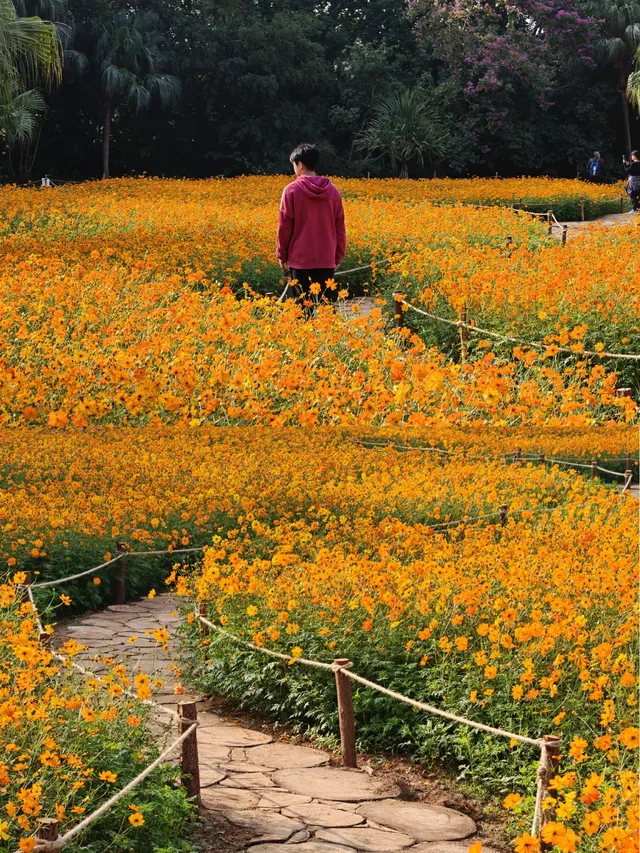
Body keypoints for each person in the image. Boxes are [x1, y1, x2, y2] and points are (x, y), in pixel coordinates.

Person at [276, 143, 346, 309]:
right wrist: (338, 255)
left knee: (302, 309)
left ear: (300, 165)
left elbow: (284, 226)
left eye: (294, 165)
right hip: (326, 258)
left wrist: (281, 254)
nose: (294, 169)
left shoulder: (291, 190)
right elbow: (340, 227)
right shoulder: (333, 191)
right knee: (326, 309)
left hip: (300, 260)